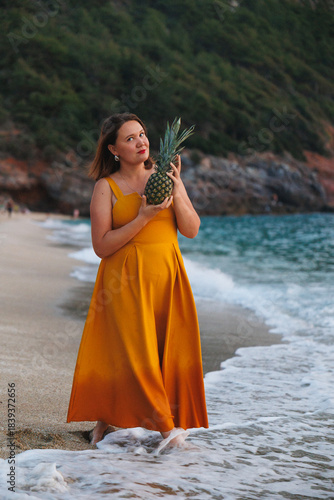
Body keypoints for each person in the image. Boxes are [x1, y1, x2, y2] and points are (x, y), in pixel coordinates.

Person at [67, 113, 208, 450]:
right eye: (130, 138)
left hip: (168, 278)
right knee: (135, 353)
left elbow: (191, 230)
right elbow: (102, 245)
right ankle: (166, 429)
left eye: (142, 134)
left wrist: (179, 187)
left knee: (159, 352)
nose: (141, 142)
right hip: (124, 281)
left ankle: (105, 421)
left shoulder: (164, 178)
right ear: (114, 149)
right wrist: (143, 218)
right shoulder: (106, 187)